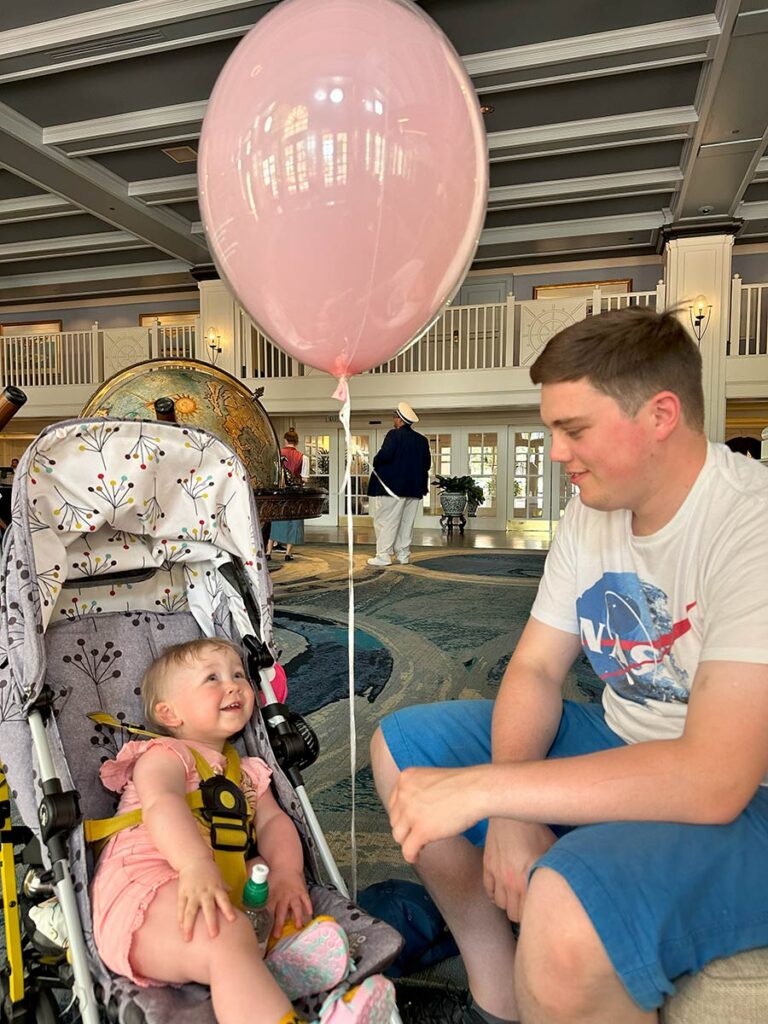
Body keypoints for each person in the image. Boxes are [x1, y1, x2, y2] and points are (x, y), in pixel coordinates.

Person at [371, 306, 768, 1024]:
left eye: (573, 429)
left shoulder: (752, 524)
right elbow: (534, 670)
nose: (555, 452)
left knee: (565, 905)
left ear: (661, 415)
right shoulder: (594, 512)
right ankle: (497, 997)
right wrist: (516, 802)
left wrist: (494, 790)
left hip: (751, 797)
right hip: (627, 744)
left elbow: (714, 779)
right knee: (403, 750)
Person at [90, 637, 395, 1024]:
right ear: (169, 713)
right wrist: (195, 865)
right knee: (227, 935)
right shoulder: (163, 755)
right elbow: (161, 805)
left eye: (238, 674)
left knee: (262, 871)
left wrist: (286, 875)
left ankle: (274, 963)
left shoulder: (249, 770)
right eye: (212, 678)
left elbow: (273, 823)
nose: (233, 684)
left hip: (219, 884)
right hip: (146, 889)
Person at [366, 402, 431, 567]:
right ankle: (403, 555)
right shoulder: (422, 440)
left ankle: (383, 556)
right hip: (414, 489)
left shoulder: (394, 435)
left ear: (400, 420)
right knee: (406, 523)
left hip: (391, 488)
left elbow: (384, 456)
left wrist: (375, 460)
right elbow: (427, 464)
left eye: (395, 417)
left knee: (385, 521)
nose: (393, 420)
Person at [267, 429, 309, 562]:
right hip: (295, 494)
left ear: (285, 440)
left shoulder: (277, 455)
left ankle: (268, 552)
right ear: (297, 442)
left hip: (279, 494)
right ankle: (288, 553)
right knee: (294, 522)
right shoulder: (303, 457)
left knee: (276, 521)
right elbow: (305, 478)